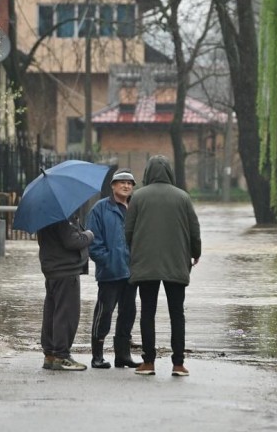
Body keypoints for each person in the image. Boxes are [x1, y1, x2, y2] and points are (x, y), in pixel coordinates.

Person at [124, 155, 201, 377]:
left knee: (147, 312)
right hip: (176, 262)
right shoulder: (183, 197)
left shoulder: (138, 197)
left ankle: (148, 362)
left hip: (145, 263)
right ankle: (178, 364)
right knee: (177, 313)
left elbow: (128, 231)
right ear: (170, 173)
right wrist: (195, 253)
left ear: (148, 173)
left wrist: (134, 252)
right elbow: (194, 230)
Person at [86, 168, 142, 369]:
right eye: (122, 182)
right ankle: (97, 356)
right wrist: (108, 261)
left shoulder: (137, 208)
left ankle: (123, 355)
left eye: (130, 183)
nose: (126, 186)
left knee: (128, 314)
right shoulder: (100, 209)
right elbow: (93, 242)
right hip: (110, 273)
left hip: (132, 272)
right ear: (113, 186)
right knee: (104, 313)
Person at [37, 215, 94, 371]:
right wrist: (89, 234)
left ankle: (50, 355)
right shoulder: (61, 216)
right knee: (66, 314)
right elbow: (72, 241)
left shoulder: (45, 216)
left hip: (52, 270)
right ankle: (61, 356)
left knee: (52, 313)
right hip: (66, 270)